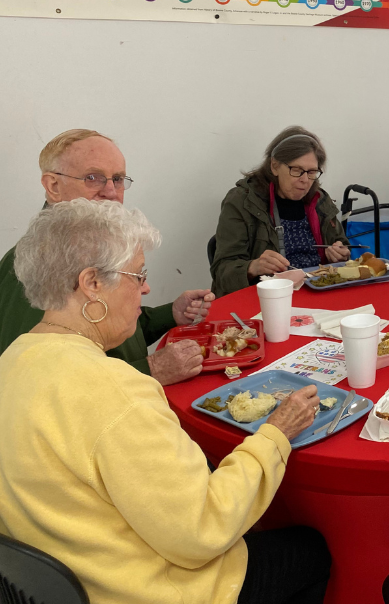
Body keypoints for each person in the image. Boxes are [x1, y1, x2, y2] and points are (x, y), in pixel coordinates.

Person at [0, 199, 331, 604]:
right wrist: (275, 434)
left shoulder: (13, 359)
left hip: (62, 576)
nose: (146, 288)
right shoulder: (115, 390)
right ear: (92, 284)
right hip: (146, 590)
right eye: (138, 275)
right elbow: (203, 529)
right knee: (312, 548)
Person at [0, 129, 212, 386]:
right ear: (53, 186)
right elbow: (33, 382)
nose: (111, 192)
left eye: (118, 179)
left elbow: (102, 328)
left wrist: (171, 314)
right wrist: (151, 370)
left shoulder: (96, 245)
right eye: (93, 178)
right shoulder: (37, 261)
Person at [211, 126, 350, 297]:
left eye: (312, 172)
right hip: (266, 299)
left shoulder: (320, 200)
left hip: (318, 292)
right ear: (275, 166)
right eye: (297, 171)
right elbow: (221, 272)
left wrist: (340, 254)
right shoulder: (242, 202)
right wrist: (253, 267)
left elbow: (343, 247)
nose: (305, 180)